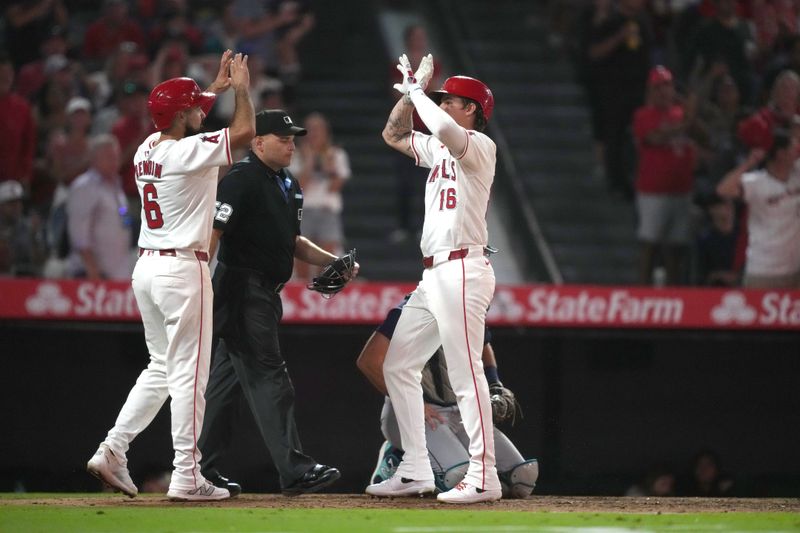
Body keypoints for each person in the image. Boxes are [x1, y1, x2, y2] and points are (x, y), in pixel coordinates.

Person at [86, 50, 256, 501]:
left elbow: (183, 116)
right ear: (181, 114)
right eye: (194, 106)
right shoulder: (184, 151)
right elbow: (244, 132)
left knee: (161, 367)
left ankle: (113, 448)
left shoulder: (147, 147)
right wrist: (240, 88)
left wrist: (210, 90)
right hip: (182, 268)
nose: (201, 110)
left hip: (148, 267)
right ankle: (187, 475)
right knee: (188, 376)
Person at [198, 109, 358, 497]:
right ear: (258, 142)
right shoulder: (242, 178)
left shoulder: (288, 182)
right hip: (241, 288)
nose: (291, 145)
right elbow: (213, 232)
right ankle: (295, 469)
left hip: (265, 293)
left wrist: (332, 261)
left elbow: (294, 241)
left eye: (292, 139)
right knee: (271, 376)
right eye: (283, 139)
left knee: (225, 385)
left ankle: (197, 469)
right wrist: (200, 285)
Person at [365, 54, 501, 504]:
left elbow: (442, 129)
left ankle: (484, 475)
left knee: (466, 375)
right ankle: (416, 468)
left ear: (473, 111)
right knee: (399, 365)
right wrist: (410, 94)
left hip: (464, 267)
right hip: (434, 274)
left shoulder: (478, 145)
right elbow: (394, 134)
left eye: (452, 100)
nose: (443, 104)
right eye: (441, 98)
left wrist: (418, 93)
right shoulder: (441, 147)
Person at [357, 295, 539, 499]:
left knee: (521, 478)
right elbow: (369, 361)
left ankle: (423, 459)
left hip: (458, 410)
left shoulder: (468, 302)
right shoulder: (412, 308)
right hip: (414, 413)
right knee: (457, 478)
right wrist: (413, 402)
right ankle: (398, 458)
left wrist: (494, 382)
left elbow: (484, 344)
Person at [632, 66, 697, 286]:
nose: (663, 91)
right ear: (651, 91)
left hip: (681, 189)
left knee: (675, 249)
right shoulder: (643, 115)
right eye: (658, 87)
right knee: (649, 244)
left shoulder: (680, 113)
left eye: (667, 86)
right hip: (652, 191)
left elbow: (704, 137)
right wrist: (685, 123)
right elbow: (654, 138)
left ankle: (674, 299)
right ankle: (642, 295)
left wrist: (691, 114)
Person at [716, 129, 800, 288]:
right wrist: (749, 163)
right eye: (793, 148)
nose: (797, 152)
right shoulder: (756, 182)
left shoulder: (797, 173)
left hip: (795, 268)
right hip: (764, 270)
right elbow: (723, 189)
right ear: (781, 154)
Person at [288, 111, 351, 280]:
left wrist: (327, 165)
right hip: (303, 211)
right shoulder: (294, 156)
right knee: (300, 255)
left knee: (328, 254)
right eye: (310, 129)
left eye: (318, 129)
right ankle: (302, 290)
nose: (314, 133)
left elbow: (334, 187)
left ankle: (321, 288)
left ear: (326, 132)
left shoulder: (337, 155)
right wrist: (309, 161)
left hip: (327, 211)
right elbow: (299, 187)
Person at [66, 134, 134, 280]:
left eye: (116, 156)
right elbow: (79, 233)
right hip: (91, 275)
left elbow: (124, 219)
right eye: (109, 157)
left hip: (117, 272)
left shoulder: (116, 188)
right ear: (94, 159)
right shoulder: (84, 186)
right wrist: (92, 269)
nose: (115, 161)